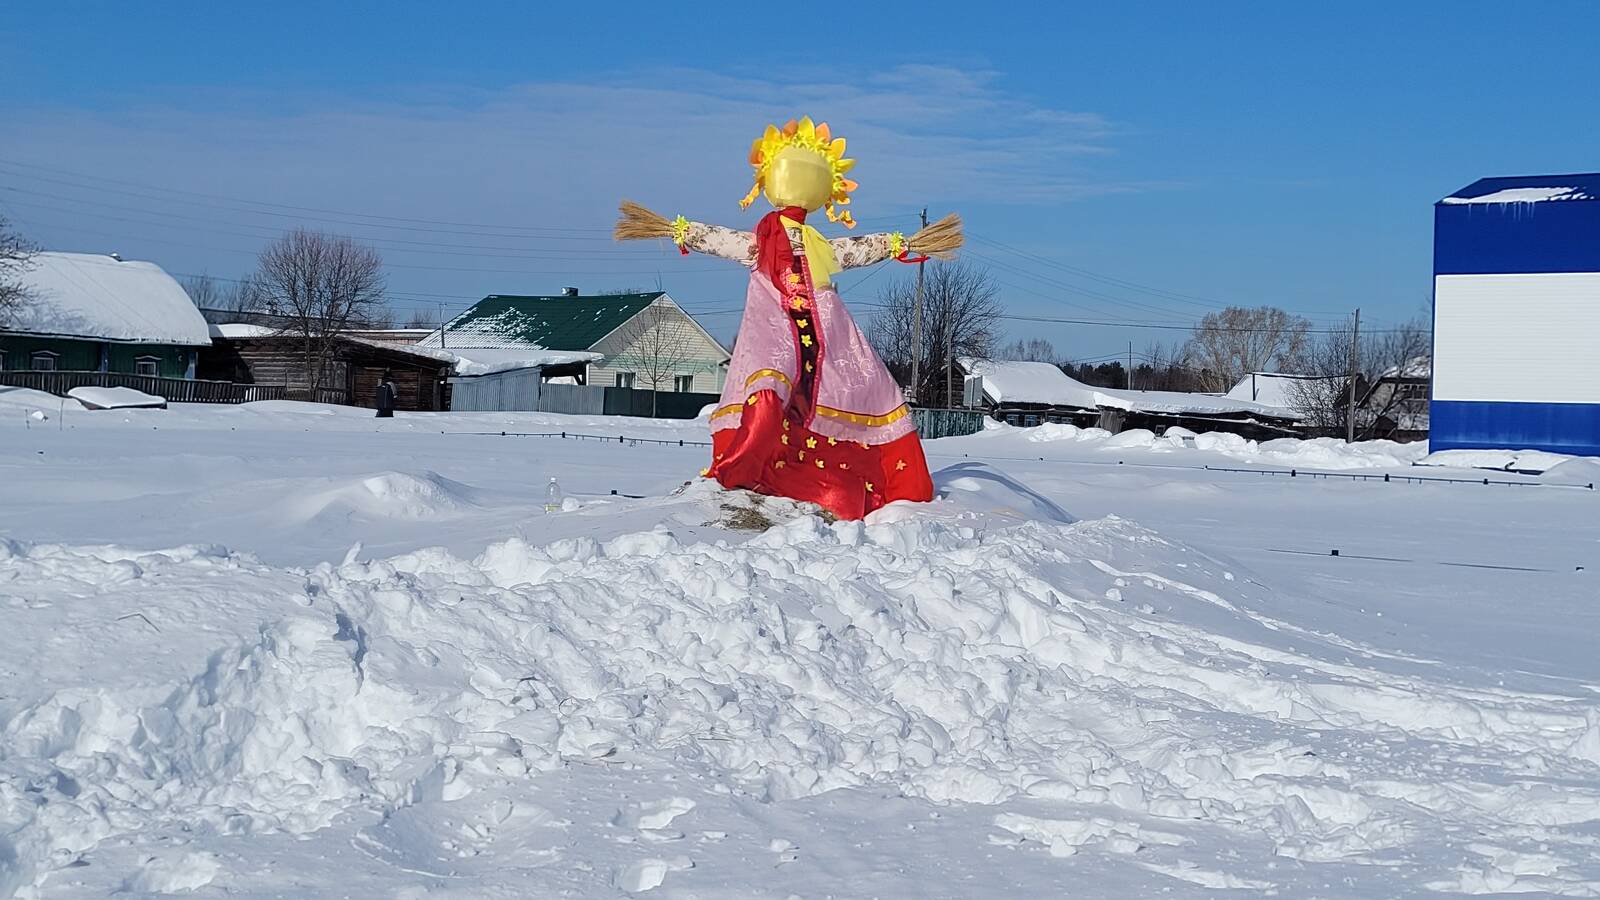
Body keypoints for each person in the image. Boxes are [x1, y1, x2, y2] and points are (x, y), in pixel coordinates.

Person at [614, 117, 962, 519]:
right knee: (782, 388)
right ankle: (759, 465)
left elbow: (723, 239)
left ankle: (765, 467)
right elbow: (858, 248)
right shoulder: (797, 245)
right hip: (787, 336)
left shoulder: (771, 243)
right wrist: (900, 243)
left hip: (810, 338)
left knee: (801, 387)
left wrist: (680, 230)